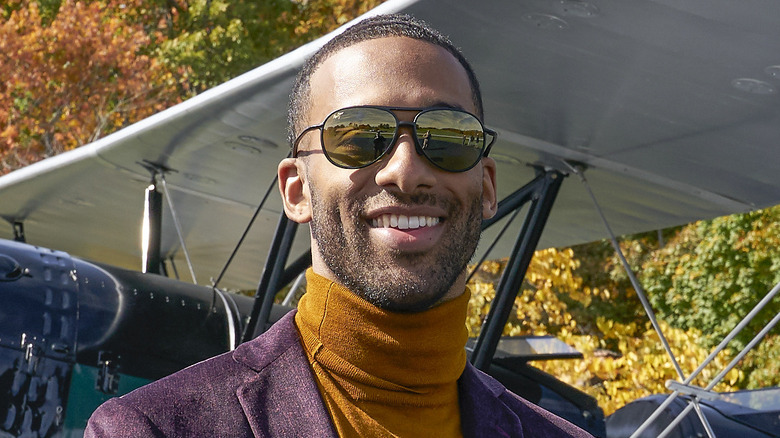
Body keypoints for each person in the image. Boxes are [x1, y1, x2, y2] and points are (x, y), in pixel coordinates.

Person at [85, 13, 593, 438]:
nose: (406, 170)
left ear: (486, 186)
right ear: (297, 190)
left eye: (447, 135)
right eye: (358, 136)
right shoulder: (153, 430)